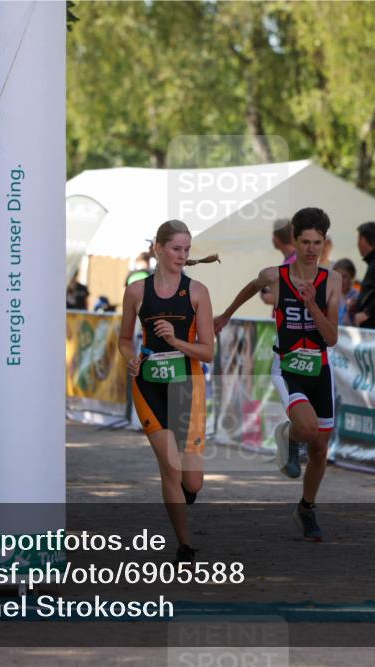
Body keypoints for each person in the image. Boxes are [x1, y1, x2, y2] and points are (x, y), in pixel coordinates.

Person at [214, 207, 341, 542]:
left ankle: (306, 508)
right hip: (287, 365)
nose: (312, 248)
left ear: (324, 243)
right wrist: (225, 315)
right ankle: (288, 434)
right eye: (305, 241)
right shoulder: (276, 276)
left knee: (319, 449)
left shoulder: (332, 281)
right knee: (308, 428)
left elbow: (331, 337)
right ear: (295, 241)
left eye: (318, 242)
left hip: (319, 366)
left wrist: (312, 304)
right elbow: (251, 286)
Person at [118, 220, 217, 563]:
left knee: (193, 482)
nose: (182, 255)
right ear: (158, 248)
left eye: (187, 250)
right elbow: (122, 339)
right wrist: (131, 359)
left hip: (187, 386)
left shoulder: (197, 292)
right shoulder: (135, 292)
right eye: (176, 249)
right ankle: (185, 545)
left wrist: (176, 341)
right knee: (171, 468)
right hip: (149, 388)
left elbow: (208, 352)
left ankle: (183, 493)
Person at [332, 258, 360, 326]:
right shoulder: (330, 296)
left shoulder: (357, 297)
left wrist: (349, 311)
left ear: (351, 277)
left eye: (344, 277)